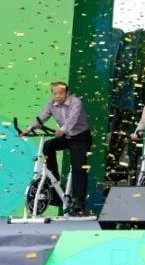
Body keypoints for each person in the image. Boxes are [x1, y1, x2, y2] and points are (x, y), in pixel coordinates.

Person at [21, 82, 93, 215]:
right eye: (55, 93)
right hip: (66, 136)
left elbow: (72, 119)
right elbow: (42, 117)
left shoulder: (75, 102)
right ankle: (54, 182)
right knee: (48, 146)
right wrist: (29, 129)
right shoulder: (51, 103)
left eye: (60, 93)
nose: (57, 96)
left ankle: (79, 202)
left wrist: (62, 129)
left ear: (67, 93)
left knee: (78, 167)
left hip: (80, 137)